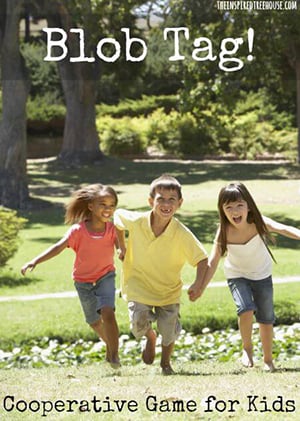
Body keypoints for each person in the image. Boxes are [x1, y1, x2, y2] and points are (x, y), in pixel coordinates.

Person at [189, 181, 300, 372]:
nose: (234, 211)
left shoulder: (258, 222)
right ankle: (247, 350)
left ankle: (267, 360)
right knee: (245, 309)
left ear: (248, 206)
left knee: (266, 318)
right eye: (229, 207)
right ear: (222, 210)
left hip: (262, 275)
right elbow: (213, 261)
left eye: (239, 205)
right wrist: (200, 287)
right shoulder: (224, 231)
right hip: (237, 275)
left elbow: (284, 229)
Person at [114, 174, 208, 375]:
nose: (166, 204)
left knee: (169, 330)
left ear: (179, 203)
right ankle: (149, 337)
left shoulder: (181, 233)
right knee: (137, 325)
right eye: (161, 199)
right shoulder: (138, 221)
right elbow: (117, 218)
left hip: (168, 290)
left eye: (171, 200)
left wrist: (198, 284)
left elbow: (202, 259)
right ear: (151, 202)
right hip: (138, 285)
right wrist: (121, 247)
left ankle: (166, 364)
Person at [21, 183, 121, 369]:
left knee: (108, 312)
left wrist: (124, 254)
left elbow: (122, 249)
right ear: (91, 206)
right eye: (103, 204)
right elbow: (58, 247)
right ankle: (110, 346)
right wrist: (35, 260)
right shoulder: (78, 231)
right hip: (83, 282)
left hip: (106, 276)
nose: (108, 209)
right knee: (94, 321)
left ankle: (114, 356)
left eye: (111, 205)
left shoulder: (113, 229)